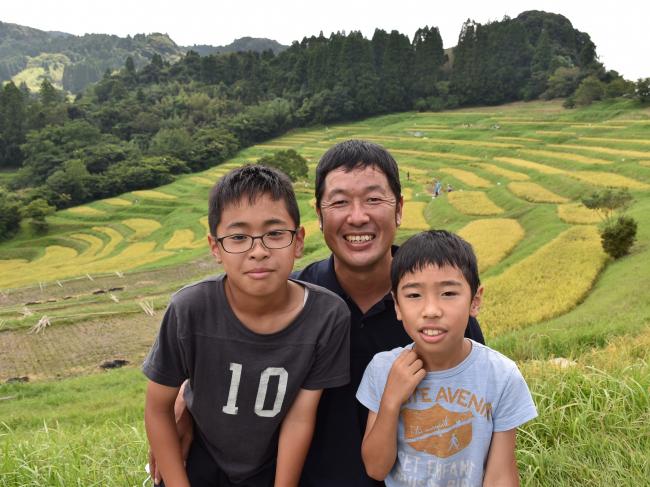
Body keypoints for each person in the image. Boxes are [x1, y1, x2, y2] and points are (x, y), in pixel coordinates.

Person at [149, 140, 485, 486]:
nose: (358, 217)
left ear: (399, 208)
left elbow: (477, 408)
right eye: (339, 202)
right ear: (319, 214)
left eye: (373, 199)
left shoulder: (439, 312)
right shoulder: (295, 300)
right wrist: (188, 397)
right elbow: (238, 348)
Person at [143, 165, 350, 487]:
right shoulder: (190, 310)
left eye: (275, 233)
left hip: (272, 466)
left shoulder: (327, 316)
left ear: (298, 241)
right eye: (238, 237)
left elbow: (299, 416)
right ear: (215, 248)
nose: (258, 251)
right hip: (201, 458)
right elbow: (158, 408)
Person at [357, 230, 537, 486]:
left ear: (475, 301)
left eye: (449, 293)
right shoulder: (383, 368)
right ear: (397, 306)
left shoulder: (501, 375)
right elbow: (375, 468)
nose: (431, 310)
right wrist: (390, 401)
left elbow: (501, 474)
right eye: (414, 295)